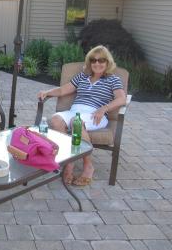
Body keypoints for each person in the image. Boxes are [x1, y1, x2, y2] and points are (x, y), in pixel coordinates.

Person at [37, 45, 126, 186]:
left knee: (75, 122)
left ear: (107, 62)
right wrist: (47, 92)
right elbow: (63, 90)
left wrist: (104, 108)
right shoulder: (83, 76)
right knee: (55, 120)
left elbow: (121, 99)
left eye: (101, 60)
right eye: (93, 60)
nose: (97, 63)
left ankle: (88, 165)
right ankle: (69, 161)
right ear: (90, 62)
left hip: (96, 114)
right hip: (75, 111)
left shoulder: (112, 79)